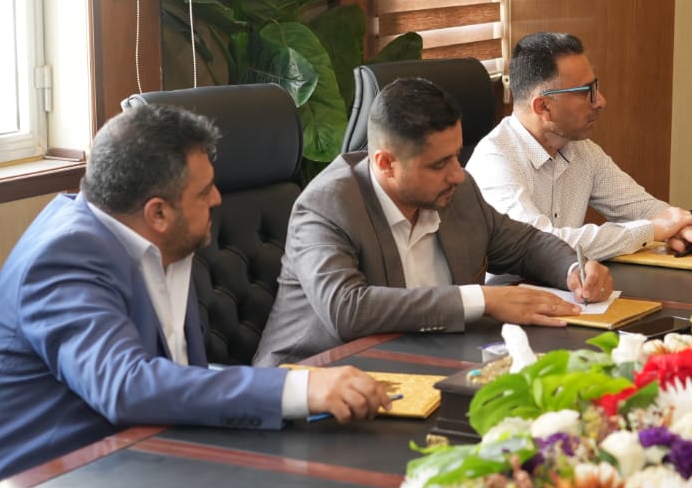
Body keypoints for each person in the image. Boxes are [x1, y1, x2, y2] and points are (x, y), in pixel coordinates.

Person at [0, 106, 392, 488]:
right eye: (204, 192)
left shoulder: (161, 241)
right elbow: (124, 385)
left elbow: (176, 372)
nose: (218, 199)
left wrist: (299, 390)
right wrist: (297, 389)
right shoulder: (64, 258)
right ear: (157, 212)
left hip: (127, 463)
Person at [253, 77, 613, 367]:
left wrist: (573, 269)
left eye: (456, 156)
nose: (457, 174)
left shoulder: (456, 191)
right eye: (439, 164)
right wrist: (482, 299)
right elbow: (348, 309)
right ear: (386, 164)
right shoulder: (326, 207)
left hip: (424, 364)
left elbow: (523, 243)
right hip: (317, 379)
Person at [465, 32, 692, 262]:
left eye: (596, 86)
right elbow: (540, 244)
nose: (600, 101)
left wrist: (682, 226)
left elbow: (640, 207)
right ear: (543, 106)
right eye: (585, 92)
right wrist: (651, 230)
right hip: (512, 294)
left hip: (571, 289)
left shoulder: (582, 151)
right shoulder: (496, 161)